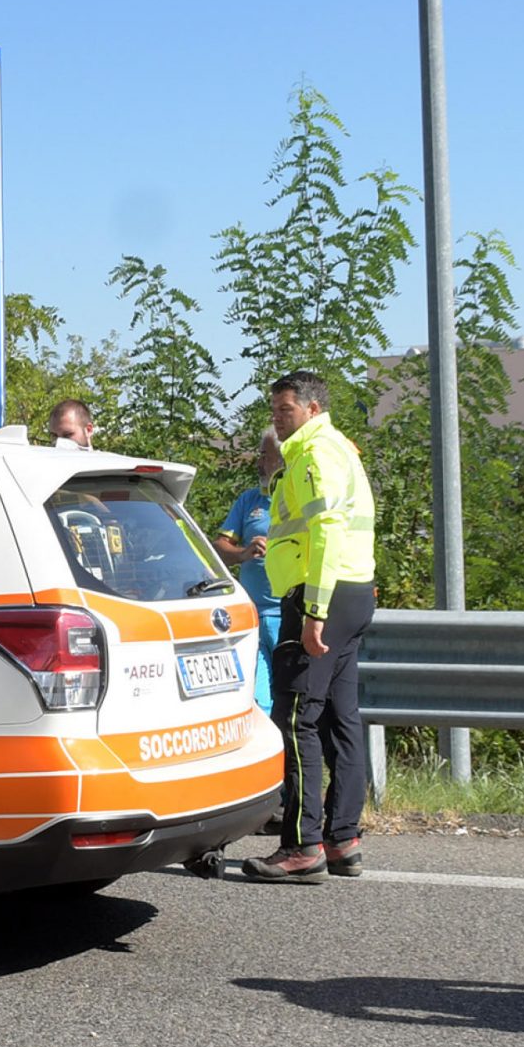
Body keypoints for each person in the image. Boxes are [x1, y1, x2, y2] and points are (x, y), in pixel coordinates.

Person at [244, 372, 375, 884]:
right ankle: (343, 839)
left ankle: (302, 846)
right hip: (353, 590)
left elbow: (326, 533)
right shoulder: (339, 449)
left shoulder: (315, 455)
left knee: (297, 718)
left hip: (321, 595)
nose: (277, 419)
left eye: (286, 410)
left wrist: (316, 609)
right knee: (342, 718)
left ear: (313, 409)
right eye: (274, 410)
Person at [212, 428, 285, 711]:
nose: (259, 463)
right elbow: (219, 547)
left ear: (283, 459)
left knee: (292, 699)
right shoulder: (249, 500)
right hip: (252, 615)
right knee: (258, 702)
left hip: (288, 616)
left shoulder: (297, 500)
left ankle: (292, 755)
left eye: (265, 456)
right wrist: (243, 553)